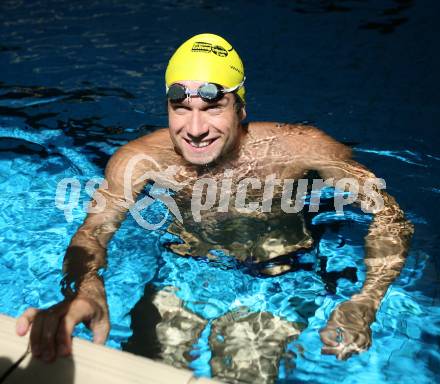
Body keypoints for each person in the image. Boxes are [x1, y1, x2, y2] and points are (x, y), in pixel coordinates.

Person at [16, 33, 413, 378]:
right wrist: (86, 288)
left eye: (212, 107)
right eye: (181, 108)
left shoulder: (300, 149)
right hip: (185, 271)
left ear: (241, 108)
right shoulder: (140, 160)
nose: (195, 128)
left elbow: (387, 213)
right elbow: (93, 231)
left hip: (276, 280)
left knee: (242, 371)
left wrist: (366, 299)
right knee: (146, 372)